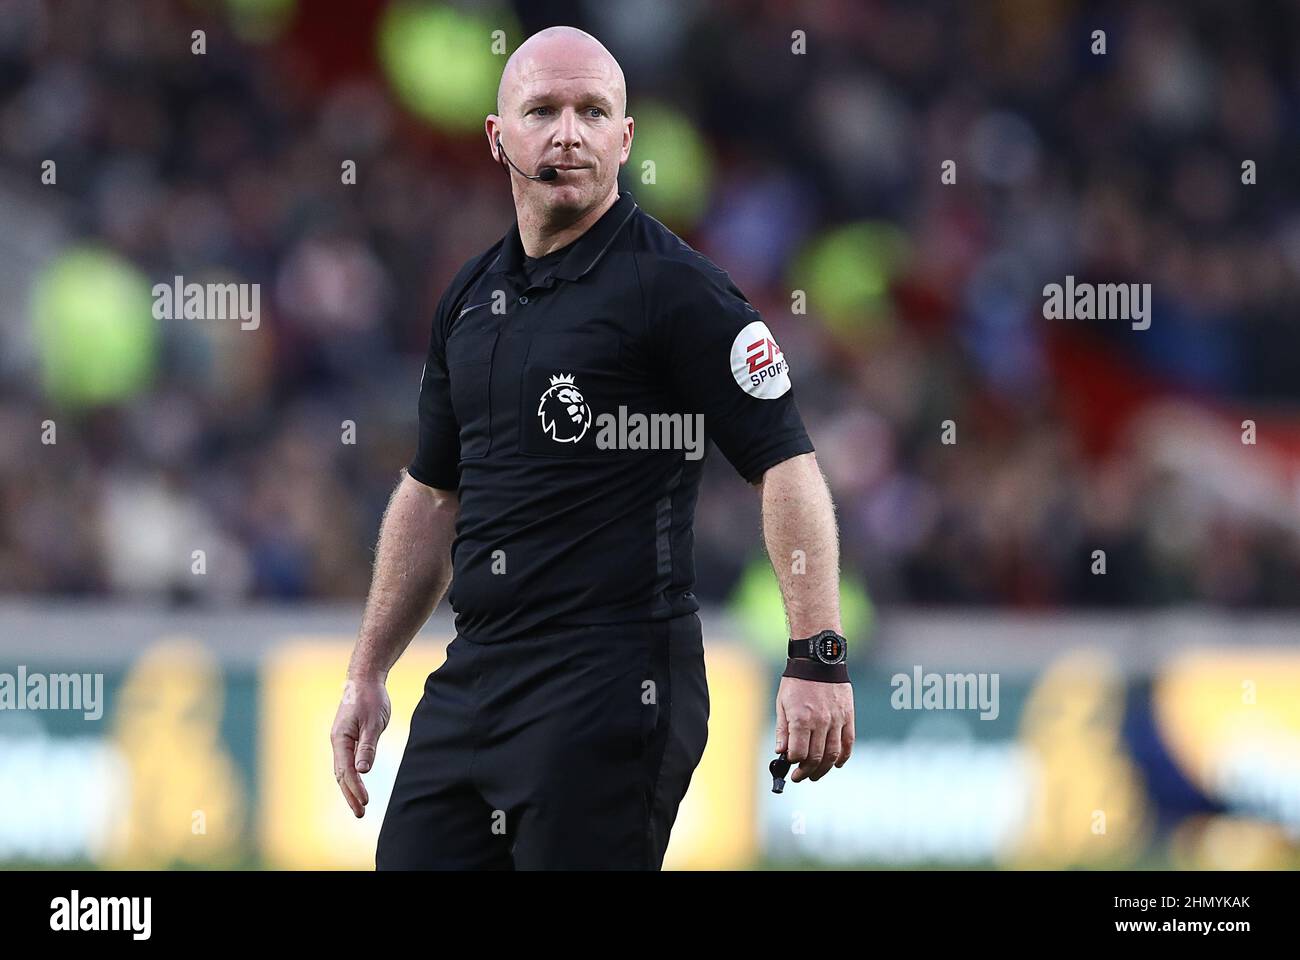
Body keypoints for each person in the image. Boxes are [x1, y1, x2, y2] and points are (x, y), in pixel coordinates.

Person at [330, 25, 854, 870]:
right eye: (541, 110)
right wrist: (367, 669)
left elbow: (787, 464)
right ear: (498, 138)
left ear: (625, 137)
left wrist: (818, 655)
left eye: (591, 111)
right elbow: (431, 496)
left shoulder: (681, 292)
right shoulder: (468, 298)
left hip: (613, 684)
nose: (567, 132)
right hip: (476, 680)